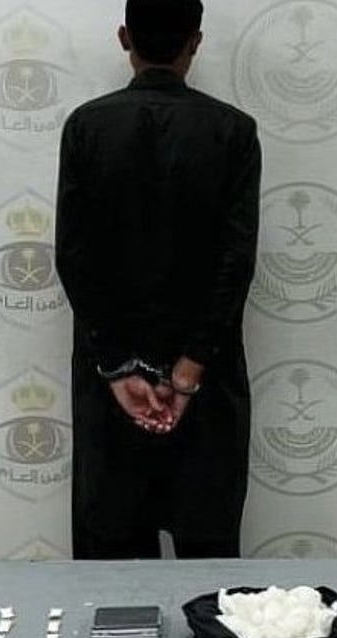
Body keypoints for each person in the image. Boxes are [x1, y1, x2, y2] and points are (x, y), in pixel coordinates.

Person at [55, 0, 261, 560]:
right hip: (206, 387)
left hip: (111, 390)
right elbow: (235, 261)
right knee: (211, 575)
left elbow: (74, 257)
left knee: (112, 578)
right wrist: (189, 370)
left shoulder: (86, 128)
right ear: (196, 42)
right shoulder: (233, 133)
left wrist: (119, 366)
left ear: (125, 38)